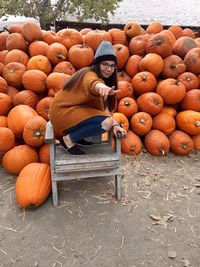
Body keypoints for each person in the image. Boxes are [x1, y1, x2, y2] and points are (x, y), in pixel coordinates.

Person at [49, 40, 127, 155]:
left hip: (71, 112)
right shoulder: (89, 74)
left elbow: (104, 110)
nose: (109, 69)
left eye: (112, 66)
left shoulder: (106, 81)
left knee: (108, 120)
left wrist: (115, 125)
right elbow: (91, 83)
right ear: (97, 63)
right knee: (105, 122)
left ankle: (76, 137)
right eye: (105, 64)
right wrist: (100, 87)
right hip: (61, 113)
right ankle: (68, 140)